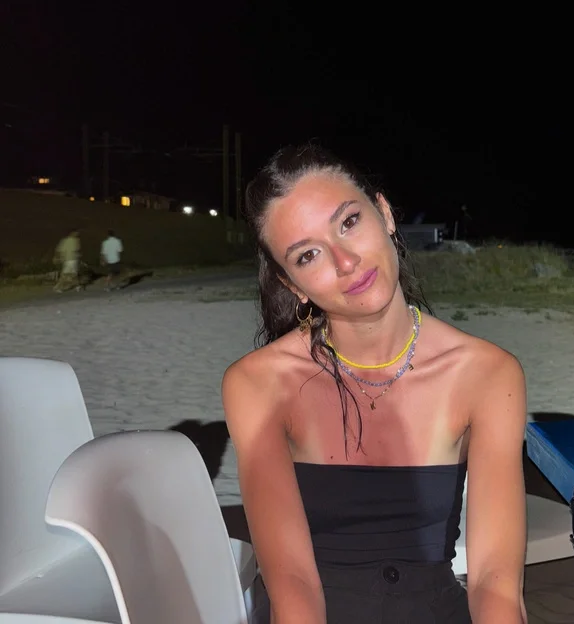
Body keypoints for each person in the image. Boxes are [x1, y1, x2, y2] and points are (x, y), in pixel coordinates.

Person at [222, 144, 527, 624]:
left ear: (384, 214)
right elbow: (293, 585)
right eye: (308, 255)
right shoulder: (258, 383)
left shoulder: (487, 374)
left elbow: (494, 581)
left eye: (349, 222)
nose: (345, 262)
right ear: (292, 285)